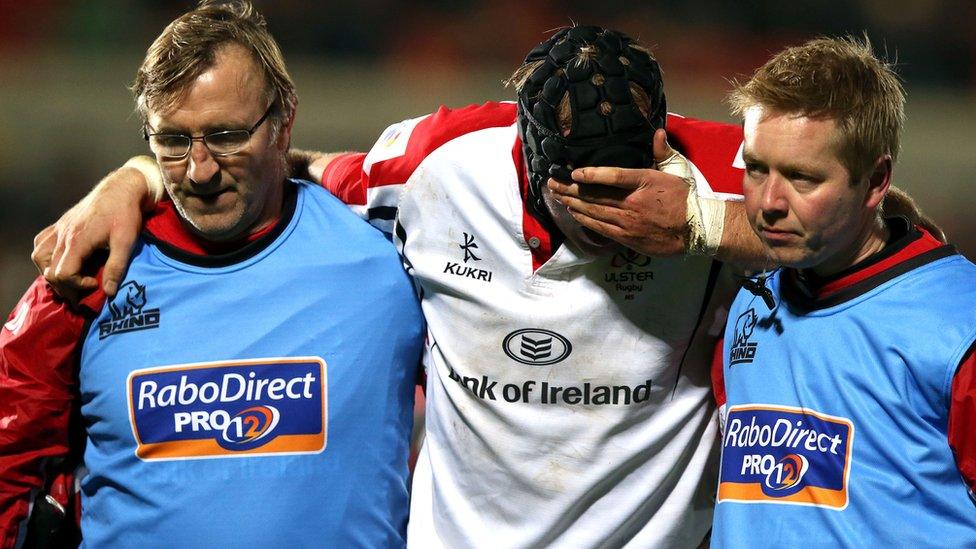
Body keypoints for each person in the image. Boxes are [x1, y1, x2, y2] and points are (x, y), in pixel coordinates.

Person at [0, 2, 424, 547]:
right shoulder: (87, 271)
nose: (199, 170)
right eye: (173, 141)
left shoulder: (386, 255)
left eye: (225, 136)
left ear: (283, 119)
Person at [711, 36, 976, 547]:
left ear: (876, 181)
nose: (768, 201)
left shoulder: (960, 324)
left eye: (802, 178)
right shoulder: (747, 304)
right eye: (756, 168)